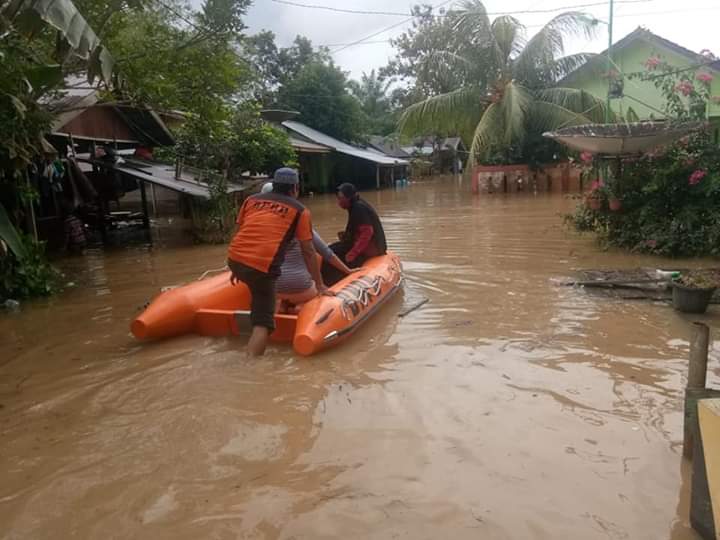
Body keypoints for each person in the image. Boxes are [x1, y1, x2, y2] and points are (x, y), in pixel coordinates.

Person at [226, 167, 327, 357]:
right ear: (295, 188)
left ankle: (270, 306)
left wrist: (236, 266)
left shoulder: (251, 200)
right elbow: (308, 250)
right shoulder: (300, 211)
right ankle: (251, 365)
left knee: (260, 295)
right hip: (262, 268)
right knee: (263, 323)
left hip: (235, 259)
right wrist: (320, 285)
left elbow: (242, 233)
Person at [322, 182, 387, 285]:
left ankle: (329, 284)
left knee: (331, 258)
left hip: (371, 249)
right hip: (370, 246)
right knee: (330, 250)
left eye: (341, 198)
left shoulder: (358, 208)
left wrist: (352, 253)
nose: (339, 202)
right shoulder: (356, 206)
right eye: (338, 198)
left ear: (349, 198)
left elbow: (367, 233)